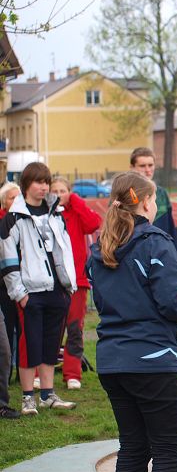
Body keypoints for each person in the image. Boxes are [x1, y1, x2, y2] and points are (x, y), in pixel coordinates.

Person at [88, 171, 177, 472]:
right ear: (147, 202)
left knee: (133, 447)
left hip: (113, 359)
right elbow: (170, 301)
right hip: (152, 359)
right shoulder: (155, 242)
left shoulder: (101, 248)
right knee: (168, 450)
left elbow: (106, 301)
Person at [0, 162, 77, 416]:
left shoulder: (56, 213)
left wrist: (68, 286)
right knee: (29, 345)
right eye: (38, 182)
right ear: (26, 184)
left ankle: (47, 394)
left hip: (57, 291)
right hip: (30, 292)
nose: (44, 187)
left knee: (51, 344)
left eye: (46, 182)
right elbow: (8, 260)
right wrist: (20, 294)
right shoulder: (14, 218)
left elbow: (65, 250)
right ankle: (27, 397)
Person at [50, 177, 103, 390]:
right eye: (55, 191)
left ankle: (72, 373)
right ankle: (42, 371)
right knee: (51, 329)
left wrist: (76, 201)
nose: (59, 195)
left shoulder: (76, 213)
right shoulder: (45, 214)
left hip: (76, 281)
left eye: (63, 191)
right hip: (51, 282)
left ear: (70, 193)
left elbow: (93, 224)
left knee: (74, 328)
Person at [130, 147, 177, 266]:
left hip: (160, 255)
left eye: (150, 165)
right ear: (132, 167)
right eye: (142, 166)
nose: (147, 170)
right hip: (134, 258)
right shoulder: (124, 194)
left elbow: (170, 229)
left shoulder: (162, 193)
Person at [0, 182, 21, 383]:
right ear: (3, 202)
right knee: (6, 330)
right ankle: (5, 374)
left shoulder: (25, 221)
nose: (15, 201)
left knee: (24, 331)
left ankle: (23, 372)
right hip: (3, 286)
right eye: (11, 197)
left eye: (18, 197)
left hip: (24, 284)